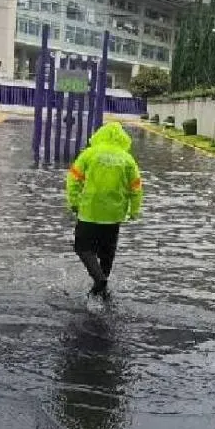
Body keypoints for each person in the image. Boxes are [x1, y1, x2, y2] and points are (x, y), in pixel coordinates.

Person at [65, 121, 143, 298]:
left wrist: (74, 202)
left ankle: (99, 281)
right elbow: (136, 188)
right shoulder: (127, 159)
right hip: (114, 215)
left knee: (83, 248)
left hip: (89, 212)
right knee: (107, 254)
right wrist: (134, 210)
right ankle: (101, 289)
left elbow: (73, 180)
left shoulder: (90, 154)